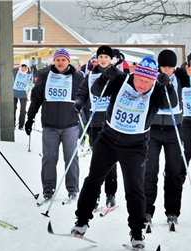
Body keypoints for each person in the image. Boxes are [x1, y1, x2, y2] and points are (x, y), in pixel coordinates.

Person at [70, 55, 178, 249]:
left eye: (147, 81)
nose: (142, 84)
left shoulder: (156, 90)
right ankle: (82, 221)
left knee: (135, 189)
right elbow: (97, 92)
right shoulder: (121, 80)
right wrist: (105, 77)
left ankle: (137, 233)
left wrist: (167, 85)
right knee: (93, 179)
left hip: (135, 146)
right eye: (140, 79)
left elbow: (171, 104)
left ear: (153, 80)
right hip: (108, 139)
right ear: (134, 74)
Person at [144, 49, 191, 228]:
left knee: (174, 171)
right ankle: (146, 211)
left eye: (170, 67)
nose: (166, 71)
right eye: (163, 67)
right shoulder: (152, 78)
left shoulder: (179, 77)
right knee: (150, 171)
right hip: (154, 129)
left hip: (174, 128)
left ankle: (172, 211)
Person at [25, 48, 84, 201]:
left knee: (71, 157)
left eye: (63, 60)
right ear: (54, 61)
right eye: (58, 59)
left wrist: (85, 114)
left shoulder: (77, 77)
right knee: (49, 158)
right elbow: (36, 98)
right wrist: (30, 118)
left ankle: (72, 189)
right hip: (50, 125)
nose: (60, 62)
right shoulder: (45, 75)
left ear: (68, 61)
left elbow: (85, 97)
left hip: (70, 125)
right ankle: (48, 189)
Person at [74, 45, 118, 209]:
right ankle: (95, 194)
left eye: (106, 57)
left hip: (113, 123)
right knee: (97, 160)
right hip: (96, 121)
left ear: (111, 59)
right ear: (97, 59)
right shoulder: (91, 75)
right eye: (101, 57)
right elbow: (82, 92)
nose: (103, 59)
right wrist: (79, 102)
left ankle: (111, 193)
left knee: (111, 160)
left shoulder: (118, 75)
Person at [13, 59, 33, 130]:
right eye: (22, 67)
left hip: (23, 94)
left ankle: (21, 125)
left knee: (23, 110)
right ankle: (13, 123)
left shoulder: (30, 74)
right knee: (13, 108)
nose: (23, 68)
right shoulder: (15, 72)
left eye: (25, 67)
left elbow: (33, 82)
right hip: (14, 92)